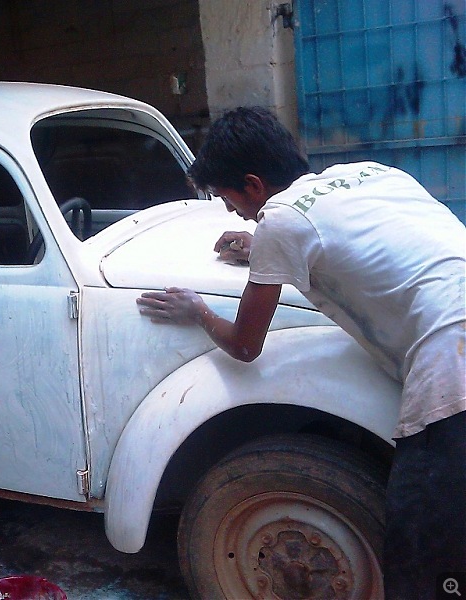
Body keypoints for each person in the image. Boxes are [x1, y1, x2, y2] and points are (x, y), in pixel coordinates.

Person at [136, 106, 466, 599]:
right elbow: (364, 238)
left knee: (424, 556)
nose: (232, 212)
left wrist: (197, 310)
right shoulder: (370, 173)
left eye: (228, 199)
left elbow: (246, 346)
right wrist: (264, 247)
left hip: (452, 361)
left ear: (252, 184)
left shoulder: (280, 223)